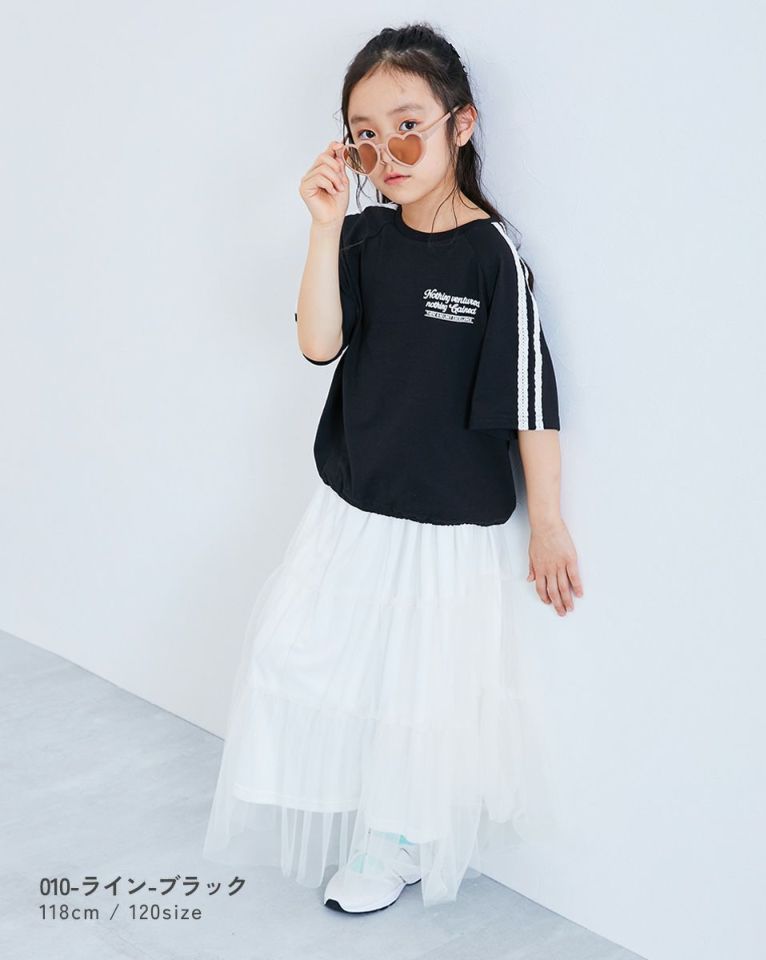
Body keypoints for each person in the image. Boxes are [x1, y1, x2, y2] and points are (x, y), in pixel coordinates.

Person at [202, 21, 583, 914]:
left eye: (409, 126)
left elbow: (530, 396)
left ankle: (396, 840)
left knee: (422, 690)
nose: (388, 153)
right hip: (355, 503)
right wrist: (324, 226)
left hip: (446, 521)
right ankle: (363, 814)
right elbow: (317, 343)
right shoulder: (365, 238)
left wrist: (550, 522)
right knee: (304, 654)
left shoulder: (492, 255)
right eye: (365, 135)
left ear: (461, 125)